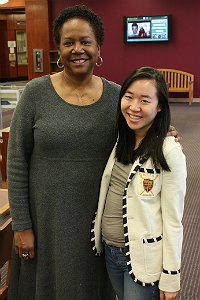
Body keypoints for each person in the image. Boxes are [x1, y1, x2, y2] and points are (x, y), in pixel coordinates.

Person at [7, 4, 179, 300]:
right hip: (46, 220)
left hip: (98, 224)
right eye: (68, 42)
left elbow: (139, 133)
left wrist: (164, 133)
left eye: (86, 42)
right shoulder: (35, 94)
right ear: (58, 48)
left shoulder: (117, 96)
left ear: (99, 48)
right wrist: (22, 226)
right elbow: (16, 163)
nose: (78, 49)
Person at [91, 67, 186, 300]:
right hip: (111, 253)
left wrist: (171, 276)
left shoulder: (168, 150)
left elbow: (174, 221)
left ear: (160, 106)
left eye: (145, 100)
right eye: (129, 97)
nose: (134, 107)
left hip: (142, 258)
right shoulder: (120, 141)